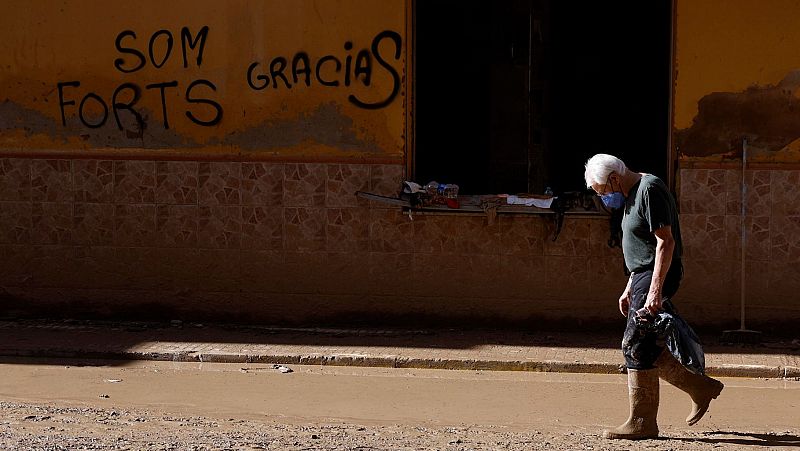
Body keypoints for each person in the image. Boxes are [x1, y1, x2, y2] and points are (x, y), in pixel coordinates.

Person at [584, 154, 724, 440]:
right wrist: (629, 287)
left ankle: (642, 421)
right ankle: (700, 387)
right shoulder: (631, 195)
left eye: (603, 192)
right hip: (642, 277)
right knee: (644, 346)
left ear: (614, 178)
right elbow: (640, 248)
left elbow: (665, 242)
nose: (605, 199)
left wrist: (654, 291)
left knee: (633, 343)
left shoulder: (650, 189)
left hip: (655, 277)